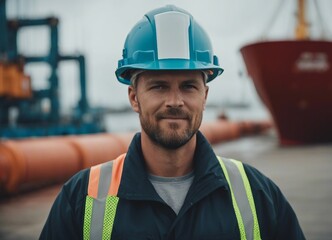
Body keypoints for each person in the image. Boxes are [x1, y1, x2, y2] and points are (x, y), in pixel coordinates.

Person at [40, 5, 305, 240]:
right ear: (134, 97)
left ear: (205, 96)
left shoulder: (257, 195)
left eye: (188, 86)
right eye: (159, 86)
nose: (175, 101)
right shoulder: (82, 199)